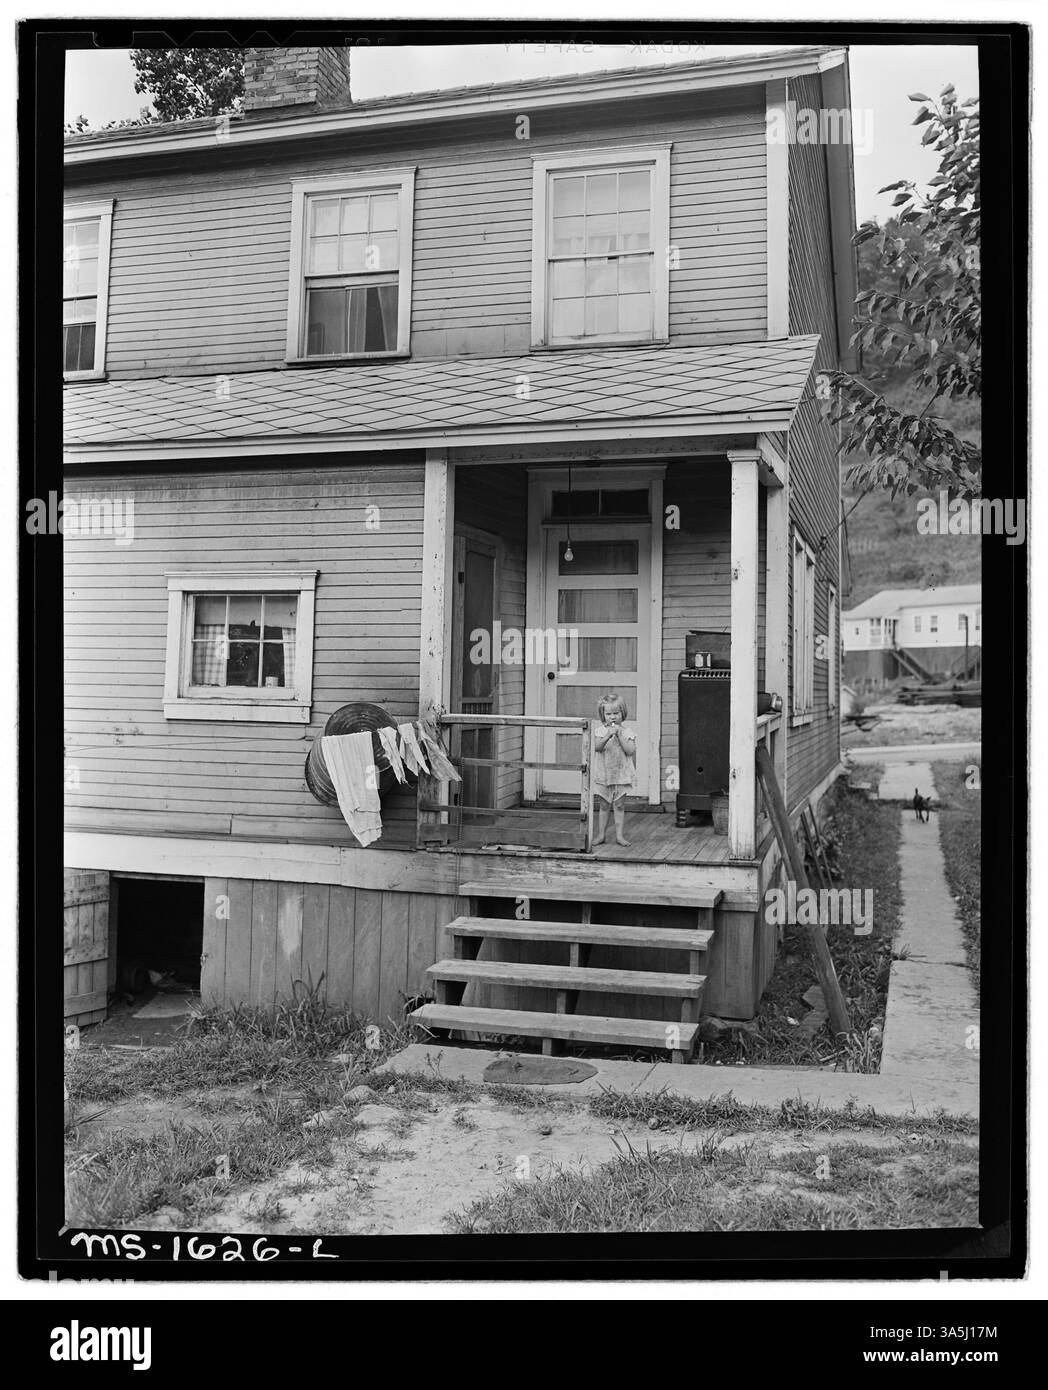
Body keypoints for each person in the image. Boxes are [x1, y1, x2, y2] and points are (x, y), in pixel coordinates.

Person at [592, 692, 637, 847]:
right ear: (603, 715)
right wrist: (607, 737)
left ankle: (619, 836)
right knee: (604, 806)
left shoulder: (627, 732)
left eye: (616, 713)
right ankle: (601, 835)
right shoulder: (600, 731)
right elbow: (597, 748)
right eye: (609, 714)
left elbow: (630, 751)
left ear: (622, 713)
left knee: (619, 806)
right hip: (604, 775)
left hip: (621, 775)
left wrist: (619, 735)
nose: (612, 717)